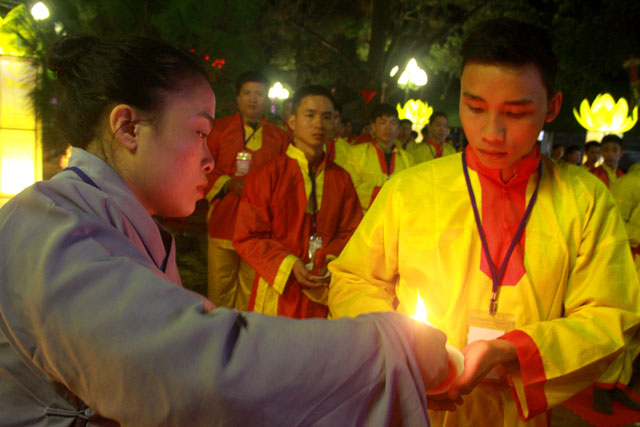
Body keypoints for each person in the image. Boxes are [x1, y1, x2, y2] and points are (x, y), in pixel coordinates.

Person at [0, 34, 452, 425]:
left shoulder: (111, 221)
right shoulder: (51, 229)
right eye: (200, 133)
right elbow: (203, 369)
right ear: (129, 128)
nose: (209, 159)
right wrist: (390, 349)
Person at [328, 18, 640, 427]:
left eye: (515, 112)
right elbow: (354, 281)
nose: (491, 132)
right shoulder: (410, 189)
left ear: (553, 106)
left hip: (522, 408)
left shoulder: (584, 200)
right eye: (475, 108)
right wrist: (400, 348)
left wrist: (515, 350)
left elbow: (610, 315)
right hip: (418, 401)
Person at [233, 86, 362, 319]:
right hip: (279, 289)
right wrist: (289, 264)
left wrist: (327, 260)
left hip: (323, 288)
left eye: (327, 117)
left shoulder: (341, 179)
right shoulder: (268, 175)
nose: (319, 124)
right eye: (310, 115)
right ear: (292, 121)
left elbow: (352, 232)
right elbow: (248, 235)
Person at [204, 71, 289, 311]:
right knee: (220, 287)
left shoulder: (279, 137)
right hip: (225, 219)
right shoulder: (219, 130)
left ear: (267, 99)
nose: (253, 99)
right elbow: (203, 167)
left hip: (260, 225)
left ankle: (245, 331)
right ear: (238, 98)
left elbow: (286, 179)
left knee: (251, 290)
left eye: (259, 94)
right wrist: (228, 183)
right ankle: (218, 331)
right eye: (247, 93)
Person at [343, 103, 414, 214]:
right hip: (365, 218)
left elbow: (411, 189)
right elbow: (352, 188)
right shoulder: (356, 153)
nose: (388, 128)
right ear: (373, 127)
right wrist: (389, 195)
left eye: (393, 123)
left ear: (398, 128)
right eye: (383, 122)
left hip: (397, 216)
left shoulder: (408, 159)